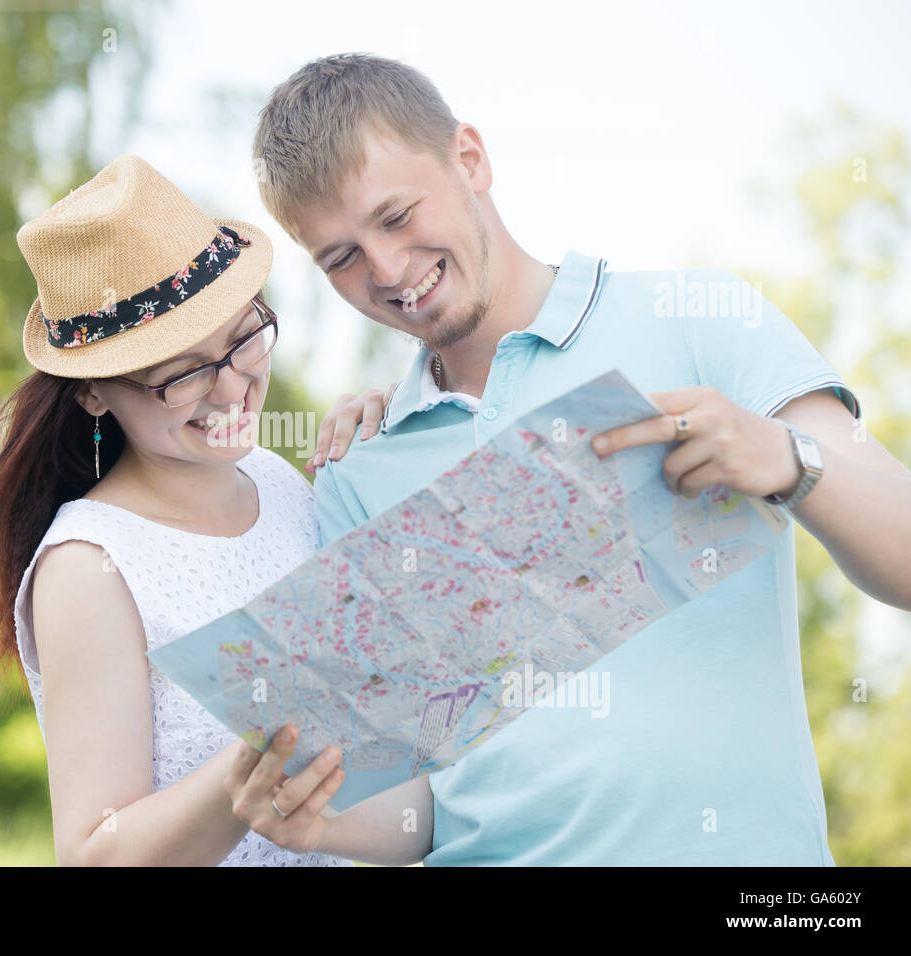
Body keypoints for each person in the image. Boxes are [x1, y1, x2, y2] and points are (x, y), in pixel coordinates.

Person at [225, 53, 911, 866]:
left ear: (469, 159)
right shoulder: (356, 469)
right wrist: (321, 822)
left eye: (398, 215)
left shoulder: (699, 323)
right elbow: (421, 806)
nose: (386, 269)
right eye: (339, 257)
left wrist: (789, 459)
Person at [0, 153, 394, 866]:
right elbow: (93, 855)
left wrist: (384, 435)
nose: (230, 391)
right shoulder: (89, 568)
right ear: (93, 393)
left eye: (243, 341)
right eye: (182, 374)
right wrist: (243, 773)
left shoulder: (282, 484)